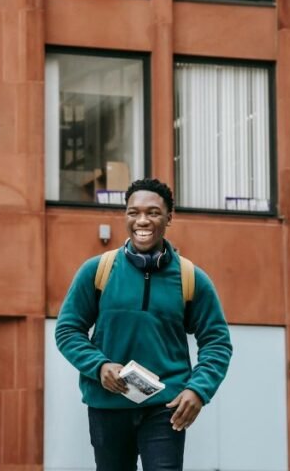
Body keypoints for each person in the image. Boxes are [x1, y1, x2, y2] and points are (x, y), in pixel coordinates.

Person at [55, 178, 233, 471]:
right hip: (107, 406)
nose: (142, 220)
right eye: (133, 212)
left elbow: (217, 342)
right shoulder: (97, 271)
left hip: (166, 408)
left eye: (152, 212)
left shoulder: (191, 278)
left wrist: (198, 390)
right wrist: (99, 366)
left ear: (169, 218)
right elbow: (67, 330)